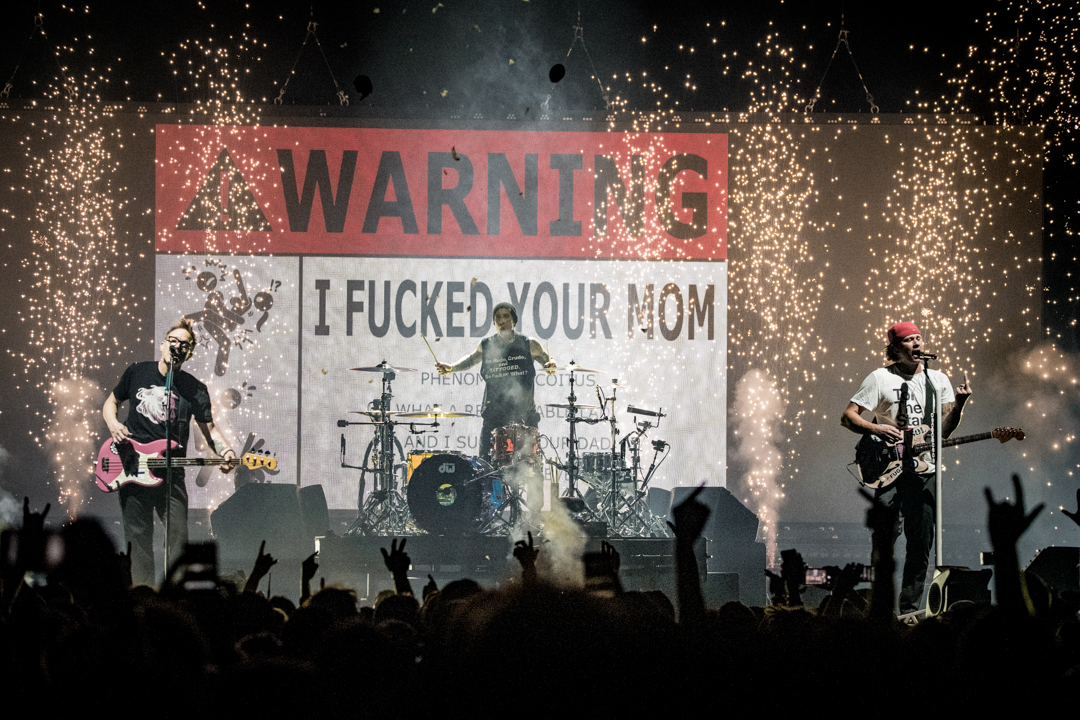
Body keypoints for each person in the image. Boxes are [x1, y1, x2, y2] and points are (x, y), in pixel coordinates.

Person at [840, 321, 972, 615]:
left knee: (921, 542)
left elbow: (944, 432)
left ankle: (910, 611)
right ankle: (880, 607)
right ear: (894, 348)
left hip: (924, 469)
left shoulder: (938, 381)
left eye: (918, 339)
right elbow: (848, 417)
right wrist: (876, 428)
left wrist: (960, 404)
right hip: (890, 470)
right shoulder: (879, 378)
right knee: (885, 538)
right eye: (908, 340)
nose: (916, 344)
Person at [102, 318, 235, 586]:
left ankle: (175, 600)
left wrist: (227, 450)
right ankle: (143, 597)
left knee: (177, 542)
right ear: (163, 344)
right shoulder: (138, 372)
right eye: (172, 341)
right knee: (138, 541)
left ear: (189, 353)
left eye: (183, 344)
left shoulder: (195, 389)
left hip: (172, 477)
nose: (176, 346)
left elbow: (208, 427)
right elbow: (112, 402)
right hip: (131, 468)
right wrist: (114, 424)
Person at [436, 303, 556, 514]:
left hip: (524, 415)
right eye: (497, 317)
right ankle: (487, 511)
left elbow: (547, 361)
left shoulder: (528, 344)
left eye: (505, 316)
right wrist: (452, 368)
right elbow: (472, 359)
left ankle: (536, 516)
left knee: (531, 465)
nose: (501, 320)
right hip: (494, 415)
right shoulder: (487, 345)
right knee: (486, 464)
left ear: (514, 320)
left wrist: (550, 364)